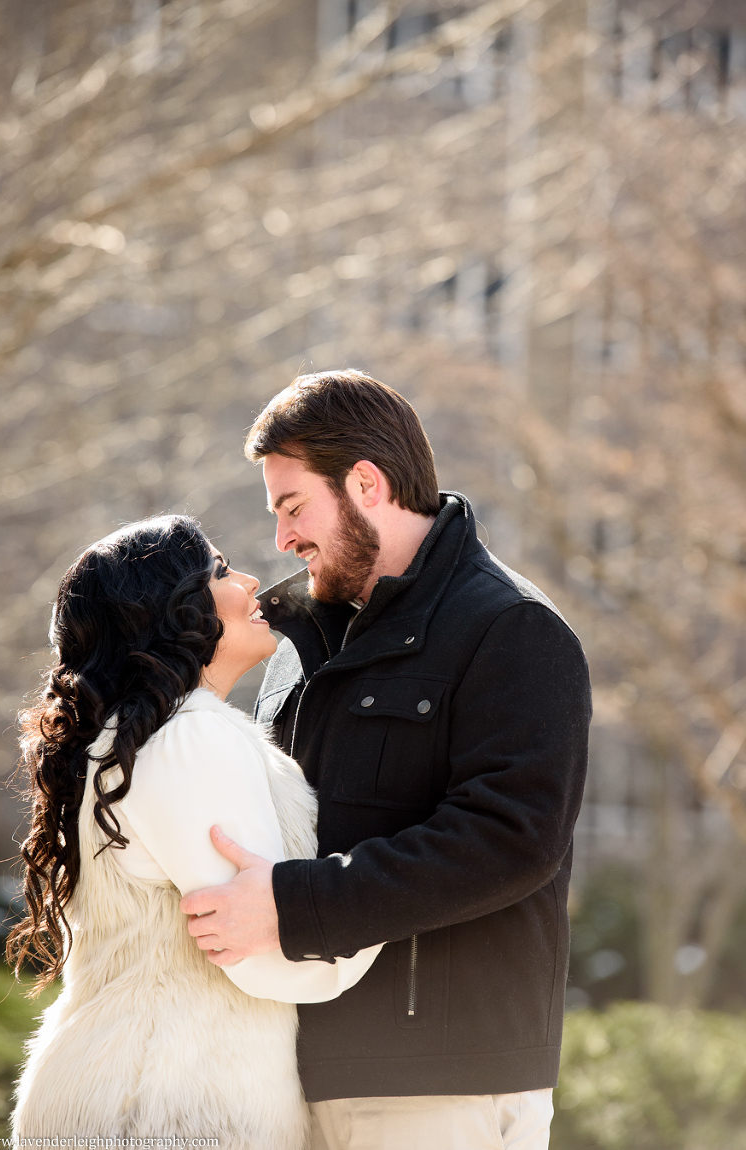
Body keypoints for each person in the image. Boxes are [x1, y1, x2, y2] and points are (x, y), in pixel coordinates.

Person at [179, 371, 592, 1150]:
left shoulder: (514, 630)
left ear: (366, 484)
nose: (282, 540)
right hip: (292, 1074)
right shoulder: (297, 641)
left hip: (442, 1087)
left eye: (293, 507)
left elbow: (510, 839)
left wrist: (295, 906)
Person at [8, 514, 380, 1149]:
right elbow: (269, 958)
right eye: (222, 570)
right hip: (170, 1109)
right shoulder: (191, 737)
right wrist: (396, 895)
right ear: (172, 610)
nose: (254, 580)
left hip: (128, 1095)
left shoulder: (135, 738)